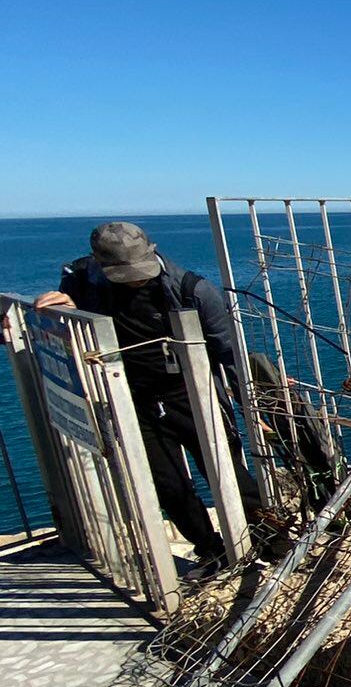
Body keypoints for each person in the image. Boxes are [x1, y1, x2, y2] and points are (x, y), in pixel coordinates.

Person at [36, 221, 258, 578]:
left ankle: (269, 539)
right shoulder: (80, 280)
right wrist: (69, 309)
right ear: (99, 263)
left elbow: (228, 349)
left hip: (191, 391)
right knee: (167, 482)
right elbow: (75, 323)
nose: (137, 279)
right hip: (133, 396)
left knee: (227, 471)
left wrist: (250, 402)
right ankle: (210, 550)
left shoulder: (192, 289)